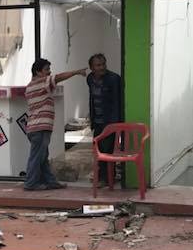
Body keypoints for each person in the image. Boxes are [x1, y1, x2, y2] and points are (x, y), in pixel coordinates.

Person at [24, 58, 87, 191]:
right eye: (46, 69)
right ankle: (31, 183)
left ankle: (50, 181)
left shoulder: (30, 86)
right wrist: (76, 72)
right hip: (40, 128)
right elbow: (58, 77)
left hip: (35, 128)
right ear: (38, 72)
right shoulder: (42, 82)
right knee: (37, 157)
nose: (49, 72)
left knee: (42, 157)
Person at [86, 53, 123, 184]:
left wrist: (115, 124)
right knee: (99, 149)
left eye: (103, 64)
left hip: (109, 121)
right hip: (97, 121)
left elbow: (117, 102)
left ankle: (107, 178)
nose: (102, 67)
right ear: (91, 68)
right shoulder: (90, 79)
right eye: (98, 65)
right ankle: (103, 176)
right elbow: (92, 98)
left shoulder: (113, 79)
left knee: (107, 149)